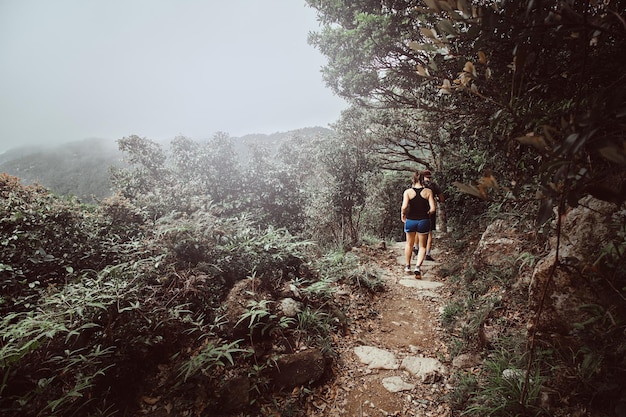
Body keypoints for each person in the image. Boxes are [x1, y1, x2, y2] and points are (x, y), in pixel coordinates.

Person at [401, 171, 436, 278]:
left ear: (413, 180)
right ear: (423, 179)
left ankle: (407, 266)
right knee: (422, 246)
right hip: (424, 220)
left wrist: (403, 214)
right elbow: (433, 208)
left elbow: (404, 206)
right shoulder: (428, 192)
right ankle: (417, 267)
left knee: (409, 244)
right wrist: (428, 213)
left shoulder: (407, 192)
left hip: (411, 220)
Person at [413, 169, 445, 261]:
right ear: (430, 177)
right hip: (431, 211)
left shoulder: (418, 185)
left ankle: (416, 247)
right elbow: (442, 198)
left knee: (417, 229)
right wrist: (437, 200)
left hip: (418, 210)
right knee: (429, 232)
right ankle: (427, 254)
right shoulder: (434, 186)